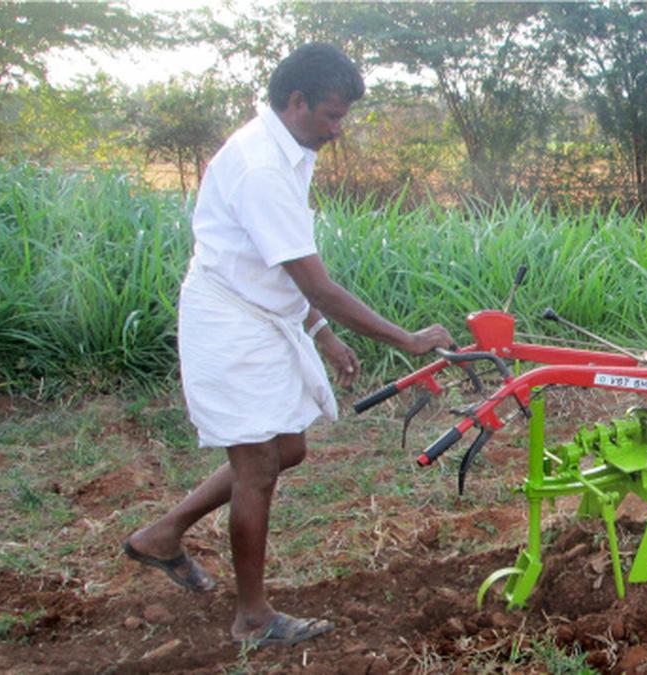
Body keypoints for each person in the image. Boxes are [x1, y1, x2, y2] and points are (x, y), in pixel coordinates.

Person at [122, 43, 453, 647]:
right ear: (296, 101)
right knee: (258, 468)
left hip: (261, 313)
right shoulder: (261, 167)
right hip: (231, 323)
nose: (337, 129)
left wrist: (321, 335)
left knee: (289, 447)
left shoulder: (287, 148)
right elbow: (317, 284)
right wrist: (405, 340)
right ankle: (253, 618)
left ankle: (163, 534)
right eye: (331, 115)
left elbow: (280, 265)